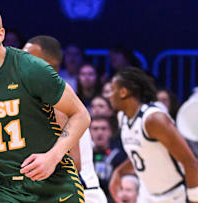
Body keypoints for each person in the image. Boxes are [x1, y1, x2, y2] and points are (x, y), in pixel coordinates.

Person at [0, 4, 90, 203]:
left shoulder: (30, 68)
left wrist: (53, 156)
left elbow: (80, 114)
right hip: (3, 188)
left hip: (52, 184)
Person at [23, 35, 107, 203]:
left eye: (27, 58)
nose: (20, 63)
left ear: (45, 63)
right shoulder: (37, 95)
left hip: (80, 194)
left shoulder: (57, 96)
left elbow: (74, 163)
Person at [108, 68, 198, 203]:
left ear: (123, 92)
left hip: (175, 195)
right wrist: (119, 171)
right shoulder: (123, 118)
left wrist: (194, 199)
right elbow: (143, 154)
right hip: (147, 195)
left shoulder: (154, 119)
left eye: (112, 90)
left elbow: (190, 162)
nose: (109, 95)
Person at [90, 115, 126, 203]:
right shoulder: (85, 155)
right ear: (89, 132)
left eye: (103, 128)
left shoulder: (119, 155)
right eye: (95, 129)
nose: (99, 132)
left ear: (110, 131)